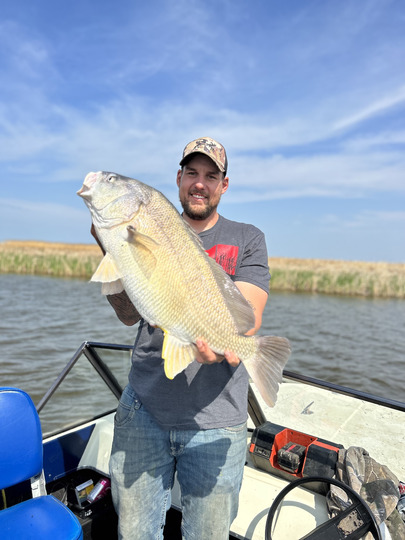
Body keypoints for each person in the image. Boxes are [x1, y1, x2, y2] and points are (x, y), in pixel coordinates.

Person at [92, 137, 270, 539]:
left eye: (211, 175)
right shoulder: (150, 224)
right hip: (144, 410)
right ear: (179, 178)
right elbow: (126, 314)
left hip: (217, 421)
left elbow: (250, 316)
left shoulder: (248, 238)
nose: (200, 183)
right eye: (192, 172)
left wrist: (223, 339)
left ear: (224, 185)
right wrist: (113, 247)